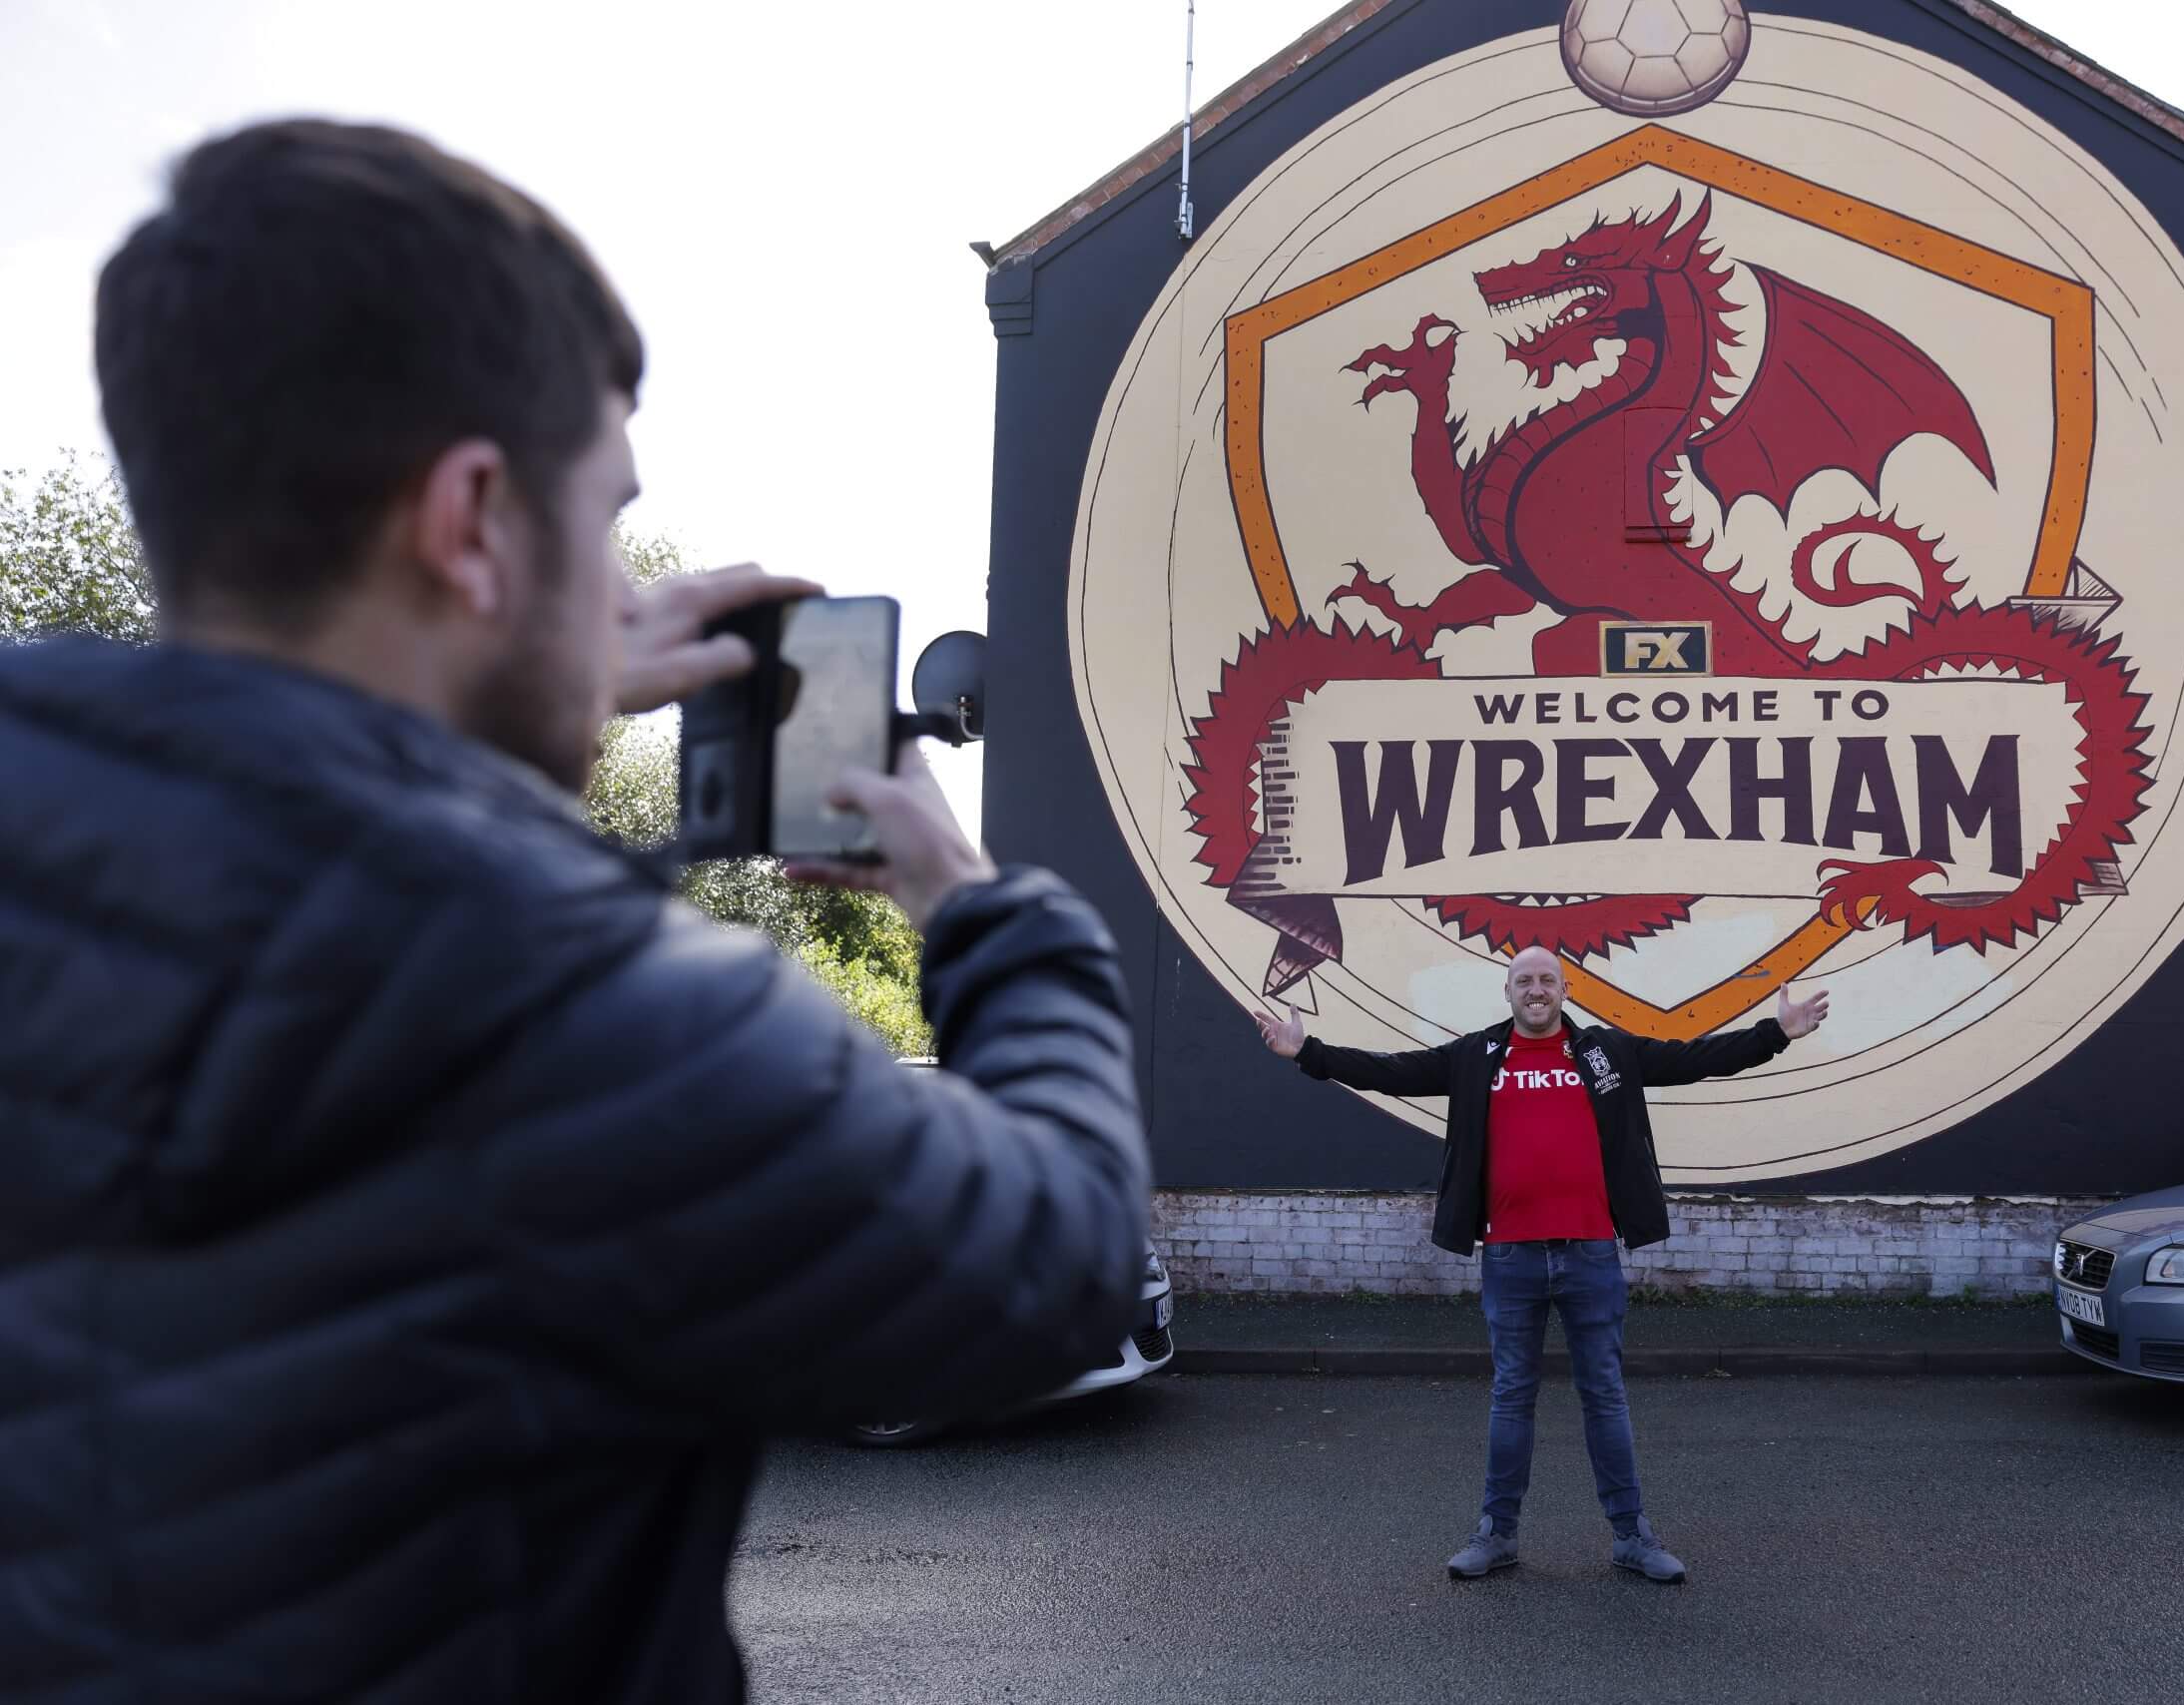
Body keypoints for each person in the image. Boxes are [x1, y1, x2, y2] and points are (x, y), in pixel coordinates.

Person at [0, 121, 1150, 1704]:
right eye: (604, 517)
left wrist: (484, 698)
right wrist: (980, 907)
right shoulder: (588, 1006)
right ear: (472, 520)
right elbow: (1054, 1265)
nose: (617, 584)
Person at [1255, 947, 1828, 1583]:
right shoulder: (1476, 1056)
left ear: (1565, 990)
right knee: (1511, 1397)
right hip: (1511, 1256)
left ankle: (1632, 1537)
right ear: (1508, 993)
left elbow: (1695, 1059)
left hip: (1591, 1253)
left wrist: (1776, 1033)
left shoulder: (1606, 1053)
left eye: (1547, 980)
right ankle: (1496, 1534)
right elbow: (1390, 1071)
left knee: (1604, 1396)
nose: (1536, 989)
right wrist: (1307, 1053)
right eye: (1524, 980)